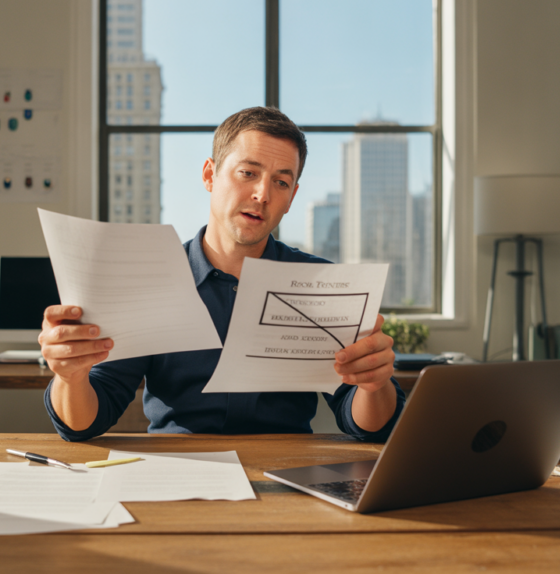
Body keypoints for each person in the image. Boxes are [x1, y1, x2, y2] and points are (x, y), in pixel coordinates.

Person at [40, 107, 405, 442]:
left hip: (288, 475)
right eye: (248, 173)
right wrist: (70, 377)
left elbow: (366, 425)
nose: (262, 194)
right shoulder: (148, 279)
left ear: (292, 197)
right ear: (210, 175)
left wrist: (374, 385)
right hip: (178, 471)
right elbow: (86, 422)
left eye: (280, 182)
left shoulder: (321, 284)